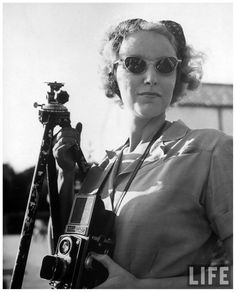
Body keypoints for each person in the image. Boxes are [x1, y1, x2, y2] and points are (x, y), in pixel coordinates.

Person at [52, 18, 233, 288]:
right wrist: (64, 178)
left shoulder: (211, 150)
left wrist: (143, 287)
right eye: (135, 64)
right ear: (113, 73)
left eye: (165, 66)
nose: (151, 78)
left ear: (178, 76)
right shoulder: (101, 167)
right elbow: (63, 259)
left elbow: (229, 278)